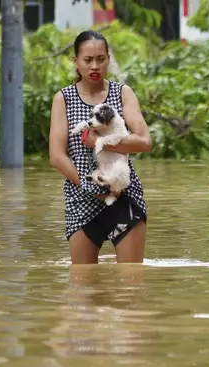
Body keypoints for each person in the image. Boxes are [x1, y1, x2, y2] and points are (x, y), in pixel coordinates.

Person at [49, 30, 151, 265]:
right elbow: (56, 156)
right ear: (76, 61)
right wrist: (89, 187)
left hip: (123, 196)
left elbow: (144, 142)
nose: (94, 66)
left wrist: (99, 142)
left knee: (130, 287)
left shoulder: (122, 93)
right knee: (83, 291)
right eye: (87, 60)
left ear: (108, 58)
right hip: (80, 200)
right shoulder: (63, 98)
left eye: (101, 59)